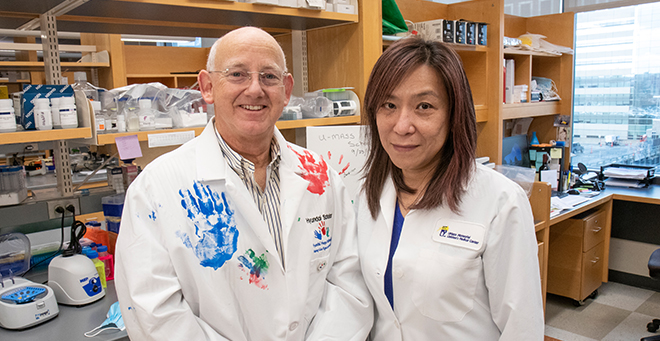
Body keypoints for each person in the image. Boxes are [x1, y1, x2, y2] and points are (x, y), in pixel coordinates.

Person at [114, 27, 372, 340]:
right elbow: (154, 313)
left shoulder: (321, 176)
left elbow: (349, 282)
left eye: (269, 76)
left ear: (287, 89)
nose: (255, 89)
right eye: (237, 74)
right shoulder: (156, 189)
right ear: (207, 87)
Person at [356, 37, 544, 340]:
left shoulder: (500, 201)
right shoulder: (367, 195)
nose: (402, 125)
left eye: (424, 106)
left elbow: (522, 327)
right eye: (389, 105)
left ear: (453, 114)